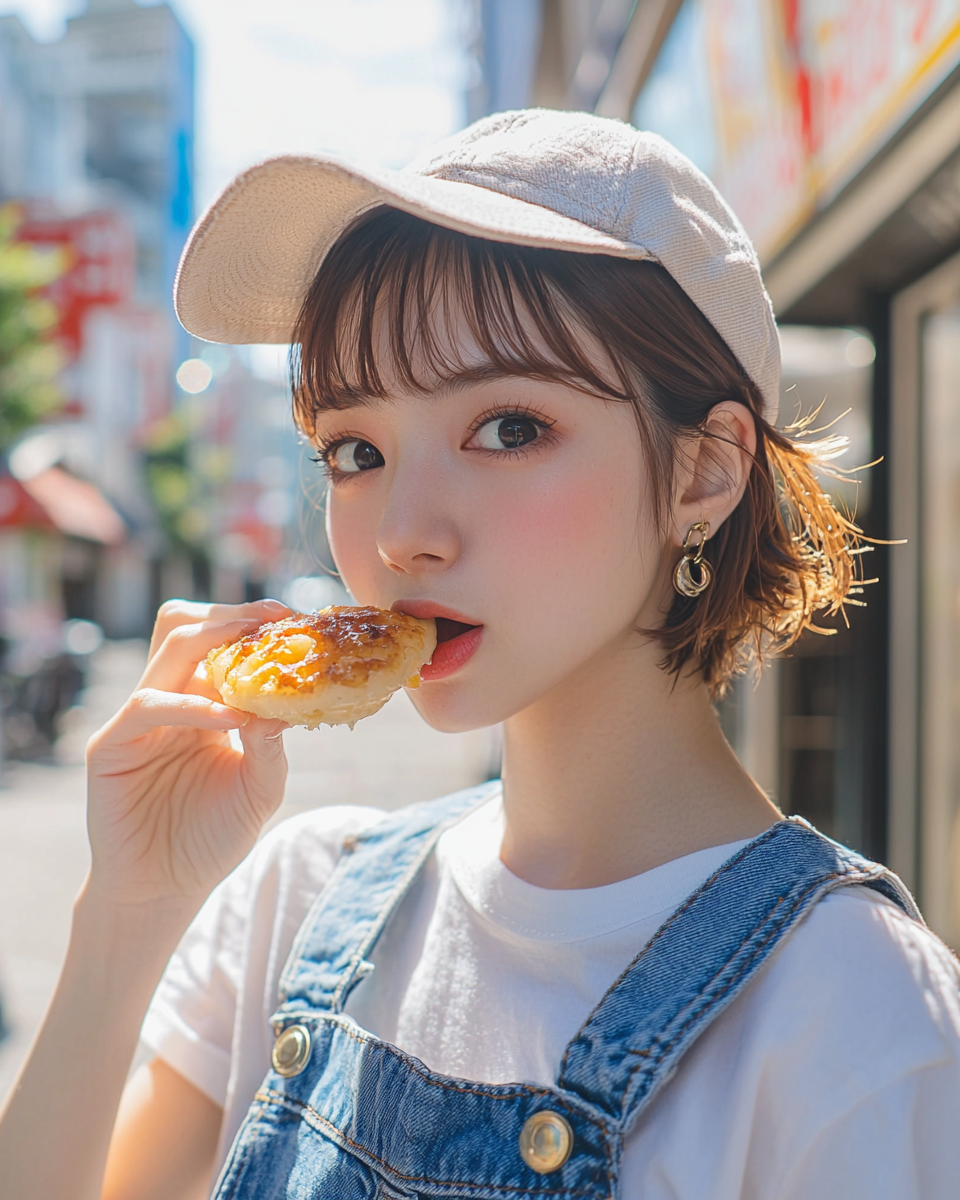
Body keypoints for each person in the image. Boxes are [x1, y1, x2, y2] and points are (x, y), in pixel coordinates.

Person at [1, 109, 959, 1200]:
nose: (404, 532)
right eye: (356, 451)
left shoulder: (859, 1027)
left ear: (704, 471)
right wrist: (127, 914)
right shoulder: (299, 893)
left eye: (509, 428)